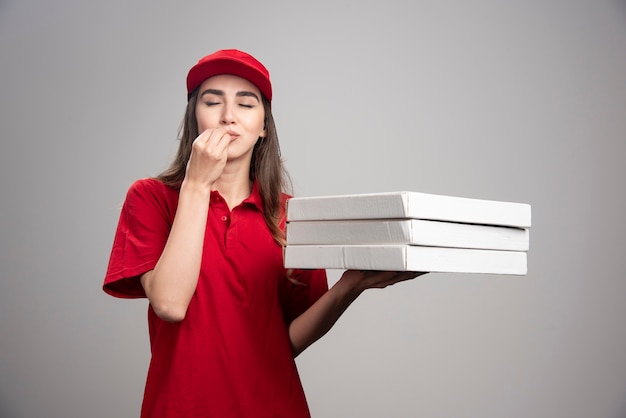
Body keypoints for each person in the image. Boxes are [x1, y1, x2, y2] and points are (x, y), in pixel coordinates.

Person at [103, 49, 423, 418]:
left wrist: (349, 286)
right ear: (194, 118)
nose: (228, 116)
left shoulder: (291, 216)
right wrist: (195, 183)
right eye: (212, 102)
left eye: (246, 103)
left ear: (264, 127)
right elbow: (170, 304)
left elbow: (284, 341)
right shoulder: (150, 198)